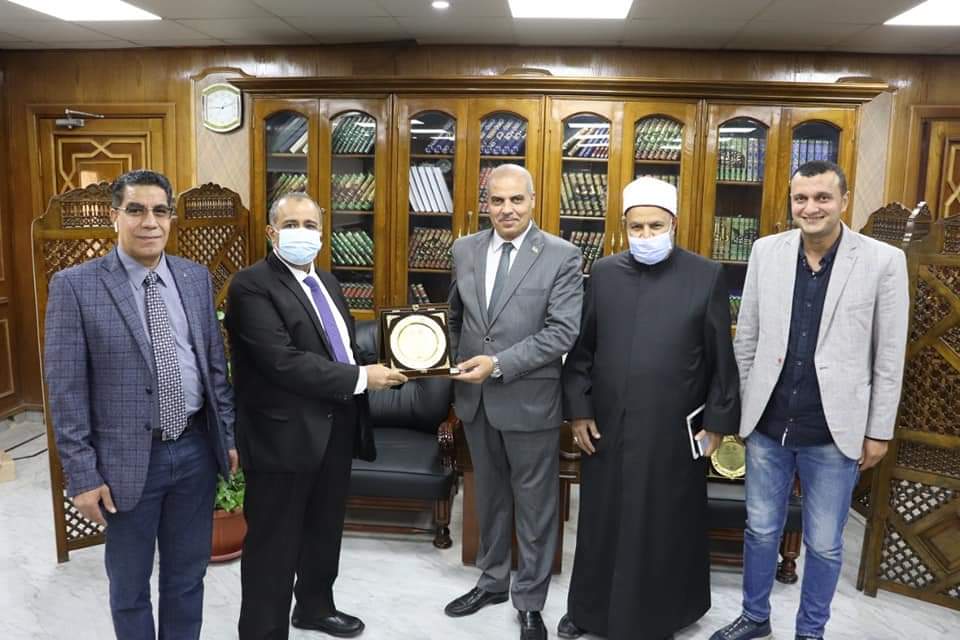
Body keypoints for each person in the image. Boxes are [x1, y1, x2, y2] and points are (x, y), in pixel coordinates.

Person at [710, 160, 910, 640]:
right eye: (801, 198)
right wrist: (742, 410)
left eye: (822, 197)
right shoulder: (766, 251)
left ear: (844, 201)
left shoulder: (883, 261)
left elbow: (889, 356)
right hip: (768, 424)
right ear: (791, 202)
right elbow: (747, 338)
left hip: (834, 432)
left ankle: (810, 631)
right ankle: (755, 617)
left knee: (823, 544)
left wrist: (878, 431)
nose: (811, 207)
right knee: (761, 530)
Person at [44, 169, 237, 640]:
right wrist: (82, 475)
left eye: (159, 211)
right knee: (129, 587)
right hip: (125, 463)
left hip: (194, 450)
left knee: (187, 577)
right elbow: (66, 390)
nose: (149, 221)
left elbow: (214, 367)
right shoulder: (75, 286)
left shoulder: (194, 278)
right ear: (114, 216)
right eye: (136, 210)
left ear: (170, 218)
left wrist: (227, 436)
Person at [557, 176, 740, 640]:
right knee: (601, 521)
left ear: (673, 223)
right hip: (608, 428)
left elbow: (721, 357)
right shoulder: (603, 273)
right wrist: (579, 411)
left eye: (655, 226)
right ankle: (588, 611)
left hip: (672, 432)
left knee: (664, 525)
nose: (645, 236)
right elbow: (582, 351)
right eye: (635, 227)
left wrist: (718, 423)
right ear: (623, 226)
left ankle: (663, 617)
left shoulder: (706, 275)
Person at [226, 192, 407, 640]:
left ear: (323, 234)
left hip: (335, 426)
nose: (301, 234)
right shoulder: (251, 285)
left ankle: (314, 607)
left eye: (310, 226)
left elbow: (340, 348)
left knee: (324, 530)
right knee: (274, 544)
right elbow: (281, 361)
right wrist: (363, 377)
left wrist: (402, 360)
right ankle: (263, 632)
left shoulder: (327, 280)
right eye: (291, 225)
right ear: (271, 232)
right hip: (282, 436)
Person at [444, 163, 582, 640]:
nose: (507, 209)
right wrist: (455, 358)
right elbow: (455, 317)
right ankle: (492, 581)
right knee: (489, 495)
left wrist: (498, 363)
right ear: (486, 204)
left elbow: (562, 331)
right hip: (475, 399)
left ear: (533, 201)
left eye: (516, 199)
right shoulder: (464, 249)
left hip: (529, 399)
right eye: (497, 200)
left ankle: (530, 601)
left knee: (535, 505)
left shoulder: (561, 255)